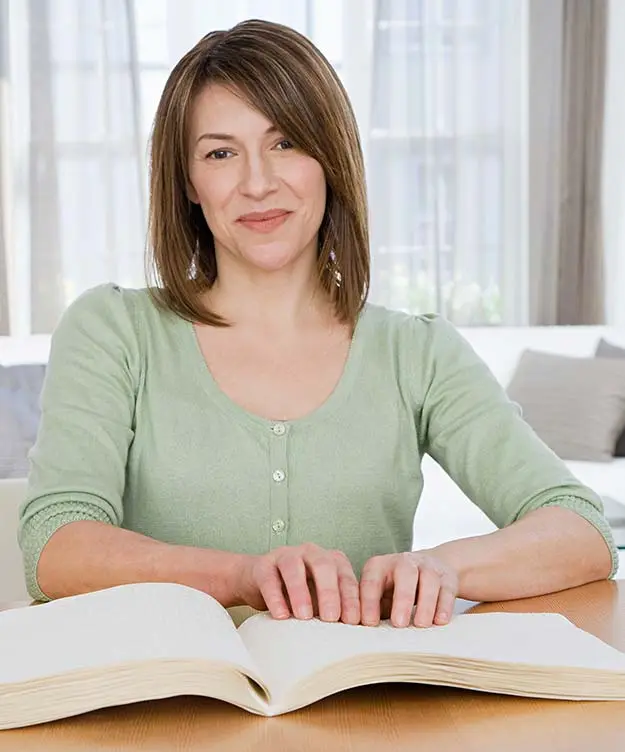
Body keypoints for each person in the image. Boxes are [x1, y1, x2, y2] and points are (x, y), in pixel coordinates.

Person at [18, 19, 617, 630]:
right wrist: (240, 577)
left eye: (286, 143)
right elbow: (55, 544)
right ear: (190, 184)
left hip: (366, 714)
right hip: (162, 713)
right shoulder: (113, 330)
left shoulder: (416, 352)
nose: (257, 182)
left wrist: (442, 569)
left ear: (329, 159)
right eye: (221, 153)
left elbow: (579, 529)